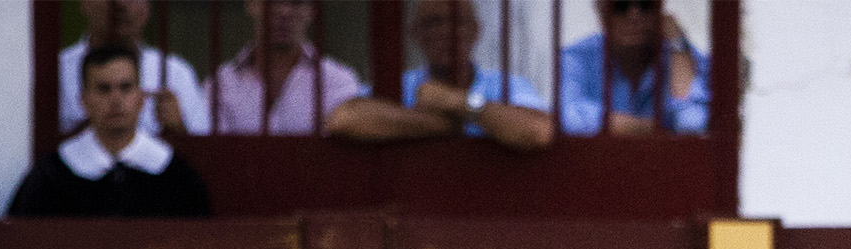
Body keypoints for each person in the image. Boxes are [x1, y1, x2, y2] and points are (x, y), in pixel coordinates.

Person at [9, 45, 212, 218]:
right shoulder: (51, 178)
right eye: (104, 89)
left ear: (141, 98)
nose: (116, 100)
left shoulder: (177, 177)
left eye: (125, 88)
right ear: (84, 100)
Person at [327, 0, 552, 151]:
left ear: (475, 31)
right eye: (433, 22)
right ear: (415, 34)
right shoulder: (396, 83)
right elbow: (344, 118)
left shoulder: (506, 85)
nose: (446, 31)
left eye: (457, 21)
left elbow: (537, 131)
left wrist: (459, 102)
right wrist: (444, 124)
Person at [58, 0, 210, 138]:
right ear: (84, 3)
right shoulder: (58, 70)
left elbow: (204, 149)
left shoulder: (175, 73)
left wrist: (178, 129)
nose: (120, 4)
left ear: (148, 8)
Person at [213, 0, 364, 135]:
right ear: (251, 4)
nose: (284, 11)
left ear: (312, 10)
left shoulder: (337, 82)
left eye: (297, 2)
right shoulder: (221, 85)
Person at [559, 0, 708, 136]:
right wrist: (657, 128)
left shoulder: (682, 57)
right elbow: (568, 118)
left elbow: (692, 124)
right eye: (620, 6)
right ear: (601, 12)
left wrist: (679, 45)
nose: (634, 15)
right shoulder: (576, 58)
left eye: (646, 5)